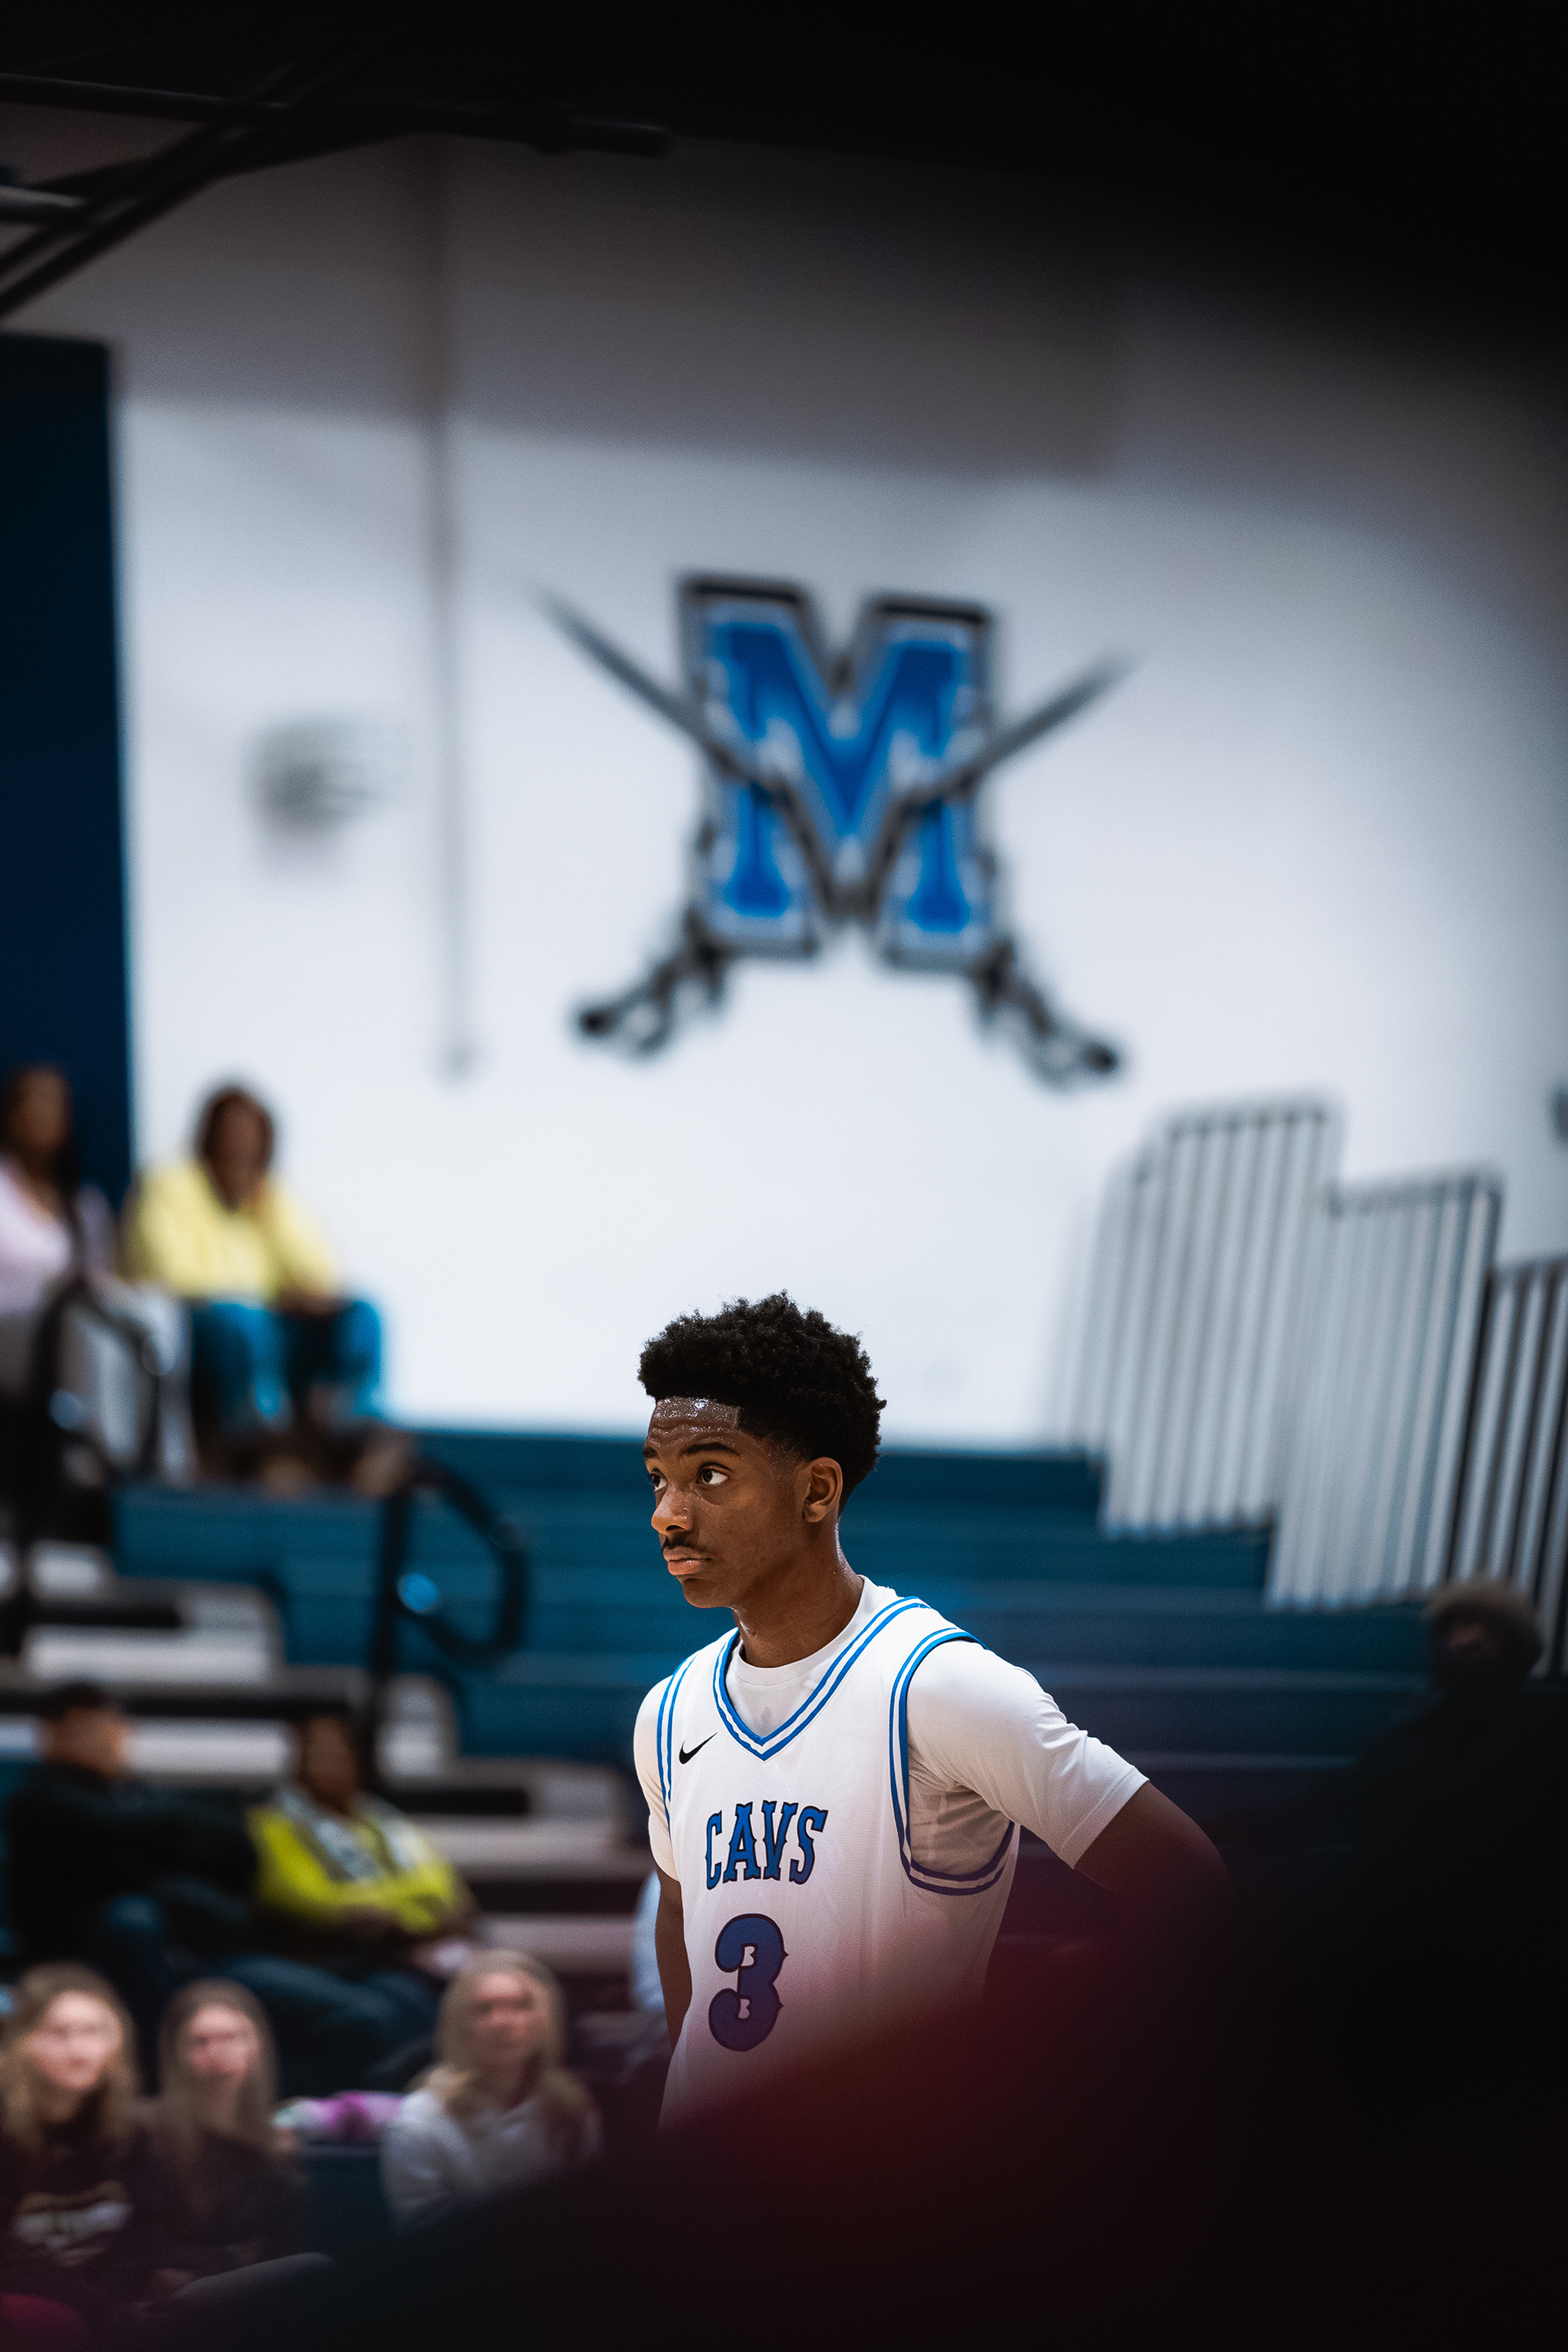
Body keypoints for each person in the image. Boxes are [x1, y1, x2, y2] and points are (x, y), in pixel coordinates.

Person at [632, 1293, 1230, 2128]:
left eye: (710, 1475)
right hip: (709, 2185)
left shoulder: (940, 1687)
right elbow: (680, 1919)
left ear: (816, 1491)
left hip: (884, 2184)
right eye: (659, 1479)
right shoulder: (668, 1712)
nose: (667, 1513)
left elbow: (1188, 1882)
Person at [2, 1682, 452, 2097]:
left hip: (211, 1952)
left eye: (117, 1725)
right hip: (148, 1969)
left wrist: (158, 1835)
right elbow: (120, 1830)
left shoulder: (139, 1796)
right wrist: (168, 1834)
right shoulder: (40, 1803)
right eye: (92, 1727)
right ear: (51, 1735)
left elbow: (233, 1846)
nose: (112, 1737)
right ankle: (197, 2091)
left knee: (393, 1999)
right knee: (363, 2020)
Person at [120, 1084, 381, 1450]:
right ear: (209, 1136)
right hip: (196, 1329)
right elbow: (170, 1276)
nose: (241, 1146)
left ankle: (349, 1430)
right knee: (243, 1321)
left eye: (252, 1138)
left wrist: (270, 1210)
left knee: (362, 1314)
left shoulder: (266, 1198)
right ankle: (260, 1436)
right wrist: (271, 1298)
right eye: (232, 1134)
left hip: (265, 1326)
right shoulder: (168, 1185)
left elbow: (322, 1277)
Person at [0, 1066, 189, 1500]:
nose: (43, 1114)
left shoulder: (85, 1204)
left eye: (54, 1104)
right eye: (32, 1102)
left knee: (158, 1309)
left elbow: (99, 1278)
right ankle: (98, 1468)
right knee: (85, 1327)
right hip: (14, 1328)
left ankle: (168, 1464)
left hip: (74, 1316)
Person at [248, 1709, 473, 2054]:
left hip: (414, 1947)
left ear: (359, 1760)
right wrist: (406, 1910)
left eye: (337, 1752)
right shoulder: (274, 1824)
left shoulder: (388, 1824)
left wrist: (396, 1912)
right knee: (408, 2001)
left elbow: (441, 1887)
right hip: (338, 1958)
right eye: (314, 1752)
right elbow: (301, 1895)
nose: (325, 1763)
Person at [380, 1956, 600, 2227]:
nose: (502, 2022)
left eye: (520, 2005)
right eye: (483, 2009)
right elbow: (424, 2240)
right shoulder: (419, 2123)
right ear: (459, 2025)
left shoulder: (572, 2109)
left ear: (545, 2020)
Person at [0, 1965, 162, 2334]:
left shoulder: (134, 2132)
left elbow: (146, 2232)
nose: (78, 2050)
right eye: (58, 2033)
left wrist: (116, 2307)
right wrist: (97, 2308)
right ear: (21, 2041)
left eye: (93, 2032)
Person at [149, 1980, 299, 2287]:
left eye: (232, 2037)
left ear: (257, 2044)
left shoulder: (279, 2148)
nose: (217, 2053)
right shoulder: (148, 2139)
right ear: (176, 2051)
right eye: (200, 2041)